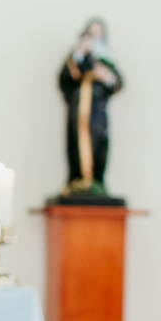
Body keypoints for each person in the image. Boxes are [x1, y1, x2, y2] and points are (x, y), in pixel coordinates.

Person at [59, 17, 122, 196]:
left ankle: (96, 182)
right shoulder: (77, 57)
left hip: (97, 115)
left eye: (98, 34)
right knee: (75, 146)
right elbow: (64, 79)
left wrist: (105, 76)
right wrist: (79, 53)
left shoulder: (105, 60)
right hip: (78, 115)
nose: (94, 38)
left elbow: (117, 83)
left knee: (99, 146)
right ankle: (76, 180)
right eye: (91, 34)